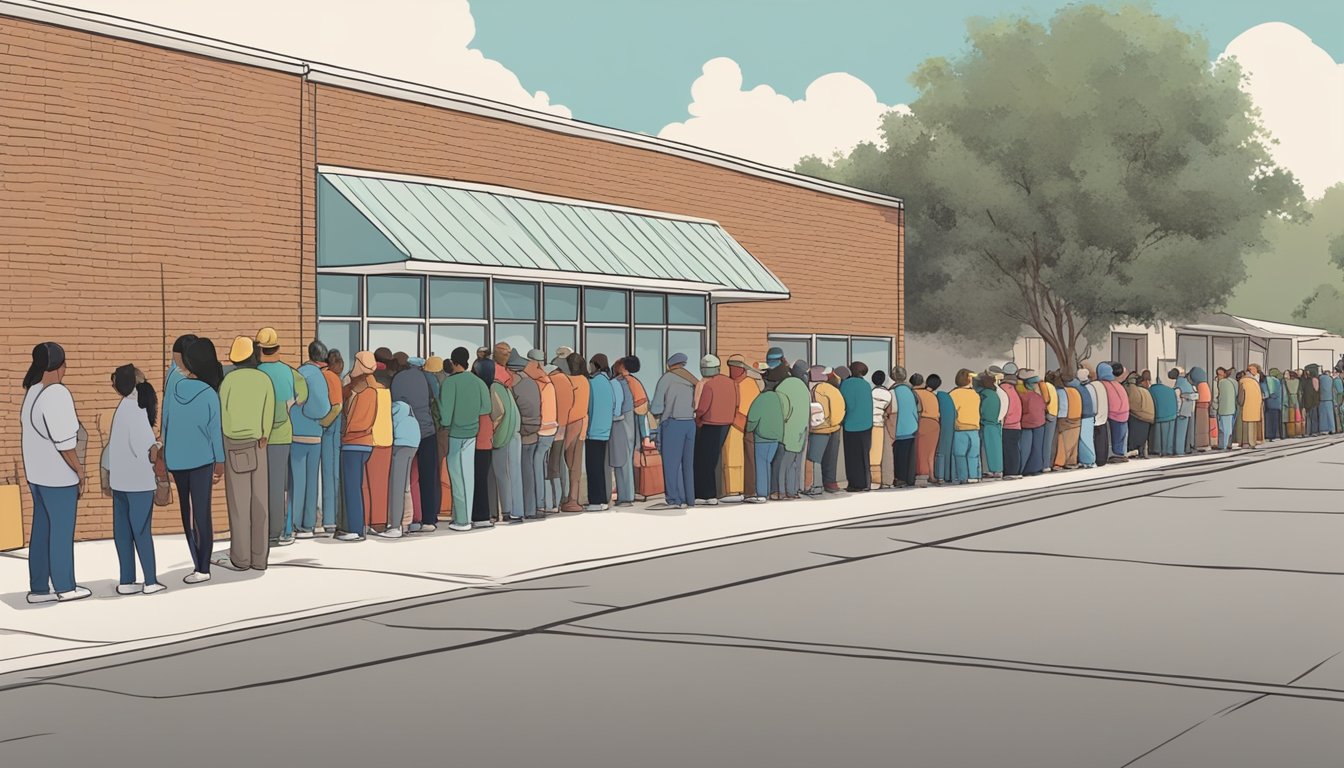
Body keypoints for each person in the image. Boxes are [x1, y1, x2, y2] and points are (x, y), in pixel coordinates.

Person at [21, 342, 90, 603]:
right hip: (58, 478)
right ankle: (65, 587)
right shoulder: (56, 394)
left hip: (36, 475)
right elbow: (65, 443)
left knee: (41, 530)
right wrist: (80, 471)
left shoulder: (32, 392)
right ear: (60, 366)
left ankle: (39, 588)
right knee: (61, 532)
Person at [164, 338, 225, 584]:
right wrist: (219, 461)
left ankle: (195, 561)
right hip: (202, 459)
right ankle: (203, 566)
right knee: (202, 512)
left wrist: (165, 456)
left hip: (177, 459)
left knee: (186, 512)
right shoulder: (210, 394)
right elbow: (214, 431)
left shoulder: (172, 386)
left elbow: (166, 422)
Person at [214, 337, 275, 570]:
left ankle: (241, 558)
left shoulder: (228, 381)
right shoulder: (264, 380)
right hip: (259, 443)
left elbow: (224, 414)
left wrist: (228, 437)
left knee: (239, 505)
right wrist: (264, 435)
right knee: (260, 503)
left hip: (234, 443)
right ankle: (260, 559)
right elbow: (268, 411)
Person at [253, 328, 307, 547]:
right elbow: (302, 396)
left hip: (258, 435)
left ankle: (261, 530)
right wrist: (289, 404)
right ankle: (277, 532)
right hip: (282, 435)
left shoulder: (256, 372)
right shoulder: (289, 371)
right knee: (278, 486)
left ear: (259, 349)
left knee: (258, 486)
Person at [439, 348, 492, 532]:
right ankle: (466, 517)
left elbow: (445, 415)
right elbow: (486, 407)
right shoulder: (478, 383)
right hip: (472, 434)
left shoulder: (449, 383)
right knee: (468, 476)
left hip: (455, 434)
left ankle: (462, 520)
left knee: (456, 477)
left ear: (453, 362)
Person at [390, 349, 440, 533]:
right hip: (426, 431)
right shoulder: (428, 379)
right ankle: (428, 519)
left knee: (408, 479)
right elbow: (436, 397)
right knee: (428, 477)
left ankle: (411, 518)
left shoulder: (397, 379)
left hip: (405, 432)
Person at [288, 341, 332, 539]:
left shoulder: (298, 373)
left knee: (297, 481)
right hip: (315, 435)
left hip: (296, 433)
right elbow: (323, 408)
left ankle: (293, 523)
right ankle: (308, 524)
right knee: (312, 481)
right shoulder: (319, 377)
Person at [337, 351, 377, 542]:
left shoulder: (361, 387)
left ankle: (355, 529)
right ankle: (358, 527)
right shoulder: (374, 386)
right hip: (367, 443)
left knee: (352, 488)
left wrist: (345, 433)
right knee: (359, 486)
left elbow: (354, 417)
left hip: (353, 443)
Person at [651, 353, 697, 509]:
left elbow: (657, 406)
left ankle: (674, 499)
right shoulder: (692, 380)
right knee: (687, 464)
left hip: (673, 423)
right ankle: (689, 498)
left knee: (671, 464)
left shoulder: (666, 379)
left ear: (670, 365)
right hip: (690, 424)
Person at [693, 354, 737, 504]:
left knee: (704, 461)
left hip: (710, 425)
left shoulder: (708, 385)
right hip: (726, 424)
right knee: (714, 459)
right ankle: (715, 492)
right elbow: (737, 403)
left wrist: (697, 419)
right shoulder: (731, 383)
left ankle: (707, 494)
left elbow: (702, 408)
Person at [522, 350, 559, 516]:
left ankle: (541, 502)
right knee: (544, 465)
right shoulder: (548, 380)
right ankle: (550, 502)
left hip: (541, 428)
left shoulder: (536, 382)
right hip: (552, 428)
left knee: (536, 466)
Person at [744, 367, 785, 504]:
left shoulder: (761, 399)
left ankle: (762, 493)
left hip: (762, 438)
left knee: (761, 465)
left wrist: (748, 429)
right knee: (767, 464)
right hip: (776, 438)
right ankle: (766, 492)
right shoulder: (777, 398)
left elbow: (752, 419)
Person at [490, 360, 525, 523]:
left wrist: (493, 431)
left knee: (503, 474)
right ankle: (518, 510)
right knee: (515, 473)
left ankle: (507, 510)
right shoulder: (506, 389)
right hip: (515, 434)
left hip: (504, 435)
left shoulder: (494, 387)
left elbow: (498, 413)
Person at [723, 355, 760, 503]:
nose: (733, 370)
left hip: (745, 426)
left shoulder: (750, 384)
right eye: (731, 367)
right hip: (730, 426)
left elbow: (754, 407)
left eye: (735, 367)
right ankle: (731, 489)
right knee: (730, 459)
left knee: (747, 460)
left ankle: (747, 489)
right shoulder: (728, 384)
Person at [775, 361, 812, 500]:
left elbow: (782, 411)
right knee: (795, 464)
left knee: (784, 464)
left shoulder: (783, 386)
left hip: (787, 432)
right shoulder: (804, 388)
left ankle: (783, 491)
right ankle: (793, 490)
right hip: (801, 432)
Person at [470, 358, 500, 527]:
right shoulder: (493, 388)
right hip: (487, 438)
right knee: (484, 477)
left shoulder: (478, 388)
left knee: (478, 478)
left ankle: (480, 515)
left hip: (477, 438)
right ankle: (485, 514)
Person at [806, 365, 844, 495]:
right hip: (833, 428)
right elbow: (838, 409)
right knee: (831, 459)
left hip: (816, 429)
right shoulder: (831, 389)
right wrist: (834, 422)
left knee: (815, 458)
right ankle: (830, 483)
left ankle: (815, 484)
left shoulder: (809, 389)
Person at [585, 354, 616, 512]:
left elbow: (589, 407)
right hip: (605, 430)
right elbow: (614, 407)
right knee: (600, 467)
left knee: (593, 467)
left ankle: (595, 501)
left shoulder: (592, 383)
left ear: (595, 365)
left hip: (593, 431)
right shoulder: (608, 383)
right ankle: (603, 499)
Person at [547, 351, 577, 513]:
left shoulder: (552, 381)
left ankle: (554, 500)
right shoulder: (568, 382)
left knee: (552, 466)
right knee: (561, 464)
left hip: (553, 427)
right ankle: (564, 496)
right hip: (566, 426)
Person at [562, 352, 591, 512]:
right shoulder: (585, 381)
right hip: (583, 423)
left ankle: (568, 498)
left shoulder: (567, 380)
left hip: (568, 424)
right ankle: (574, 498)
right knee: (576, 464)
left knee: (565, 462)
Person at [840, 361, 875, 493]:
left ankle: (854, 483)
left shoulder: (845, 384)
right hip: (866, 424)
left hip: (850, 424)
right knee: (864, 455)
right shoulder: (866, 385)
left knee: (851, 457)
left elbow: (843, 403)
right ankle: (866, 482)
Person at [606, 356, 635, 507]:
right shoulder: (630, 383)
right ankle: (627, 494)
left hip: (620, 423)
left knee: (621, 460)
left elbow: (617, 407)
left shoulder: (616, 383)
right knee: (626, 459)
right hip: (629, 422)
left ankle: (625, 496)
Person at [949, 369, 982, 484]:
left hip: (959, 429)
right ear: (969, 379)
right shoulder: (975, 394)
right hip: (974, 429)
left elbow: (952, 412)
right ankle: (973, 476)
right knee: (974, 455)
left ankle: (962, 477)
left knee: (960, 455)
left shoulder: (953, 394)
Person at [890, 367, 920, 488]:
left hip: (898, 428)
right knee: (909, 455)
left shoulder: (892, 392)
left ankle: (900, 478)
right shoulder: (911, 391)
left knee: (899, 456)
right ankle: (910, 479)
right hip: (912, 426)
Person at [1016, 369, 1046, 476]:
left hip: (1026, 424)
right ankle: (1036, 467)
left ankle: (1023, 468)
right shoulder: (1037, 395)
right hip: (1040, 423)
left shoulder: (1022, 395)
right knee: (1037, 447)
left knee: (1025, 448)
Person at [1098, 363, 1129, 463]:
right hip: (1124, 413)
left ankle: (1114, 454)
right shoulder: (1117, 385)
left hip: (1112, 414)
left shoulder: (1102, 385)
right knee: (1121, 436)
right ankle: (1120, 453)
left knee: (1111, 436)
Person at [912, 373, 939, 485]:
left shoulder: (914, 394)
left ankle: (921, 475)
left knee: (919, 451)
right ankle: (931, 475)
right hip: (935, 424)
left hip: (922, 422)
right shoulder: (931, 395)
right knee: (930, 452)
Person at [975, 372, 1003, 478]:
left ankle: (988, 470)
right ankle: (998, 469)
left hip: (986, 426)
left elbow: (982, 411)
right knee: (996, 449)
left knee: (986, 449)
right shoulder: (995, 394)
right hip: (996, 425)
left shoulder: (984, 394)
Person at [1084, 364, 1111, 466]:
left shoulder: (1090, 387)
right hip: (1103, 415)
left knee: (1094, 440)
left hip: (1095, 416)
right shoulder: (1100, 385)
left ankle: (1096, 459)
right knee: (1102, 440)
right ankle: (1102, 459)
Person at [871, 370, 893, 488]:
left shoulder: (871, 392)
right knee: (878, 453)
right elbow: (888, 411)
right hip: (880, 424)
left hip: (870, 424)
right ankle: (877, 480)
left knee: (871, 452)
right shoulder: (888, 394)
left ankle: (871, 479)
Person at [1056, 371, 1083, 470]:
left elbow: (1063, 408)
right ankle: (1072, 461)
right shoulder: (1075, 391)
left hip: (1066, 420)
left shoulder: (1060, 392)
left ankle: (1060, 462)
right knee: (1073, 443)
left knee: (1062, 441)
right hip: (1077, 419)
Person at [1126, 372, 1155, 459]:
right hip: (1149, 417)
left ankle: (1133, 452)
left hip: (1139, 416)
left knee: (1135, 438)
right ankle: (1142, 451)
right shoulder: (1146, 391)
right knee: (1143, 438)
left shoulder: (1135, 390)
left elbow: (1133, 404)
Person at [1073, 369, 1097, 468]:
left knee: (1084, 439)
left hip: (1084, 416)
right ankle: (1089, 459)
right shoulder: (1090, 387)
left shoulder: (1079, 389)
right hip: (1090, 415)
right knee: (1087, 438)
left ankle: (1088, 460)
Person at [1171, 368, 1196, 456]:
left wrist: (1177, 412)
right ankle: (1185, 448)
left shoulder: (1178, 386)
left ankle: (1179, 450)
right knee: (1185, 433)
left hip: (1180, 411)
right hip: (1188, 411)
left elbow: (1178, 400)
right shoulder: (1189, 385)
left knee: (1179, 433)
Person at [1241, 365, 1266, 448]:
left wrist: (1239, 403)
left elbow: (1241, 397)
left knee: (1246, 426)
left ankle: (1246, 443)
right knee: (1253, 426)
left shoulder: (1243, 381)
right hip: (1256, 408)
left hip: (1246, 407)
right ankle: (1252, 442)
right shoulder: (1255, 382)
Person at [1190, 367, 1212, 451]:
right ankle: (1204, 442)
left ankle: (1200, 443)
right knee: (1204, 426)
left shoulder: (1199, 385)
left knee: (1199, 426)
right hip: (1205, 406)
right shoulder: (1205, 385)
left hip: (1200, 406)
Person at [1284, 369, 1302, 439]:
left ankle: (1291, 433)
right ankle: (1298, 432)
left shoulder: (1287, 382)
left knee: (1291, 417)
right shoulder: (1297, 381)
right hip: (1296, 399)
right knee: (1297, 417)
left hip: (1289, 399)